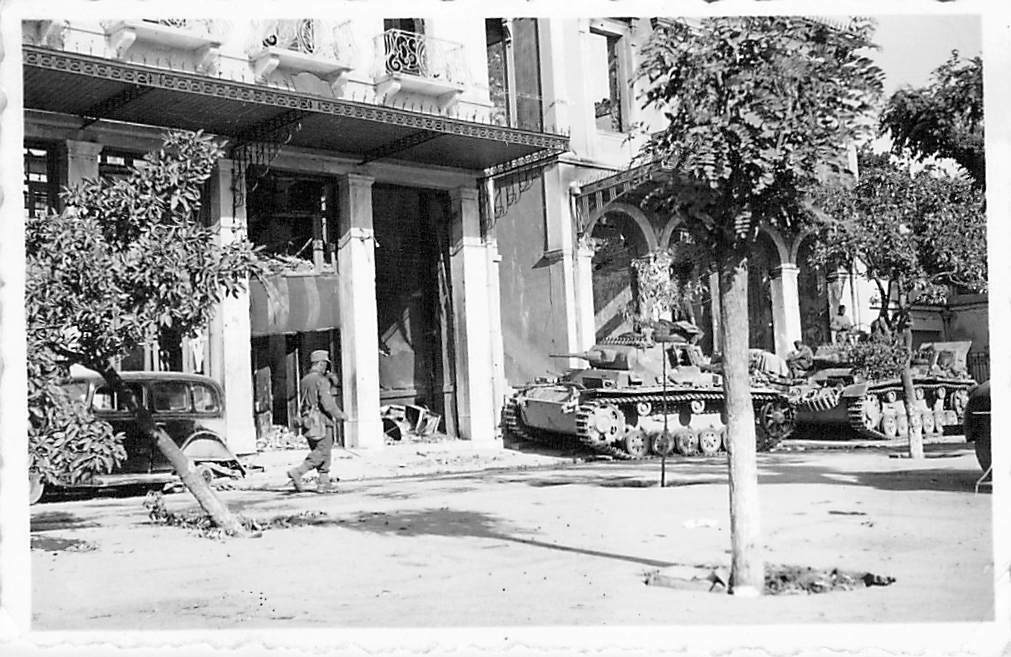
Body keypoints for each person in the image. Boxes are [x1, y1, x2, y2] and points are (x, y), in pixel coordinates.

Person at [287, 350, 347, 493]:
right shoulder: (321, 380)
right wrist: (340, 415)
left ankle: (323, 483)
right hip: (322, 421)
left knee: (321, 451)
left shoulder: (305, 380)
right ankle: (298, 472)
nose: (326, 367)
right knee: (322, 451)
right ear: (321, 363)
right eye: (325, 364)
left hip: (308, 421)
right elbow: (327, 403)